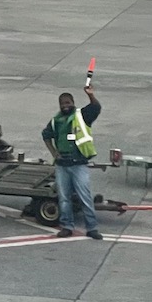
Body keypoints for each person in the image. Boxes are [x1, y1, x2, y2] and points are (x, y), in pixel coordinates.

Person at [42, 83, 102, 239]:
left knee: (85, 197)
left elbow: (96, 108)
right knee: (64, 198)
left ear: (73, 103)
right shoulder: (56, 120)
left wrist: (90, 94)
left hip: (79, 164)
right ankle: (66, 226)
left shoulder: (81, 115)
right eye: (62, 104)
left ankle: (92, 228)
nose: (65, 106)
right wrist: (54, 154)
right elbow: (46, 135)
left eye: (68, 103)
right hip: (62, 165)